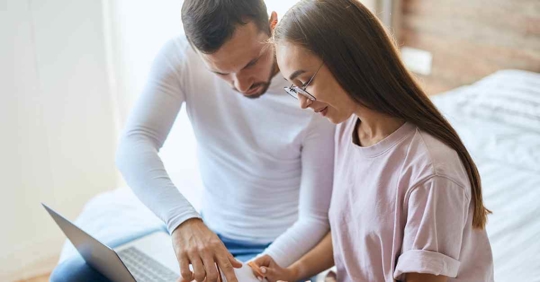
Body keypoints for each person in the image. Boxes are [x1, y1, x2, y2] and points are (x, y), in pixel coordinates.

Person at [49, 1, 335, 282]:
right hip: (206, 236)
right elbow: (135, 142)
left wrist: (249, 274)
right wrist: (183, 221)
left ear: (273, 25)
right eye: (221, 72)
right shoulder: (180, 56)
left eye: (251, 63)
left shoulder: (311, 97)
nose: (240, 85)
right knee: (71, 275)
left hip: (277, 251)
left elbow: (314, 220)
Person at [251, 0, 494, 281]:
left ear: (350, 60)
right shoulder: (350, 128)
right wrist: (293, 272)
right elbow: (355, 232)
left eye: (305, 82)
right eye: (294, 89)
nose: (303, 103)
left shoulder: (431, 171)